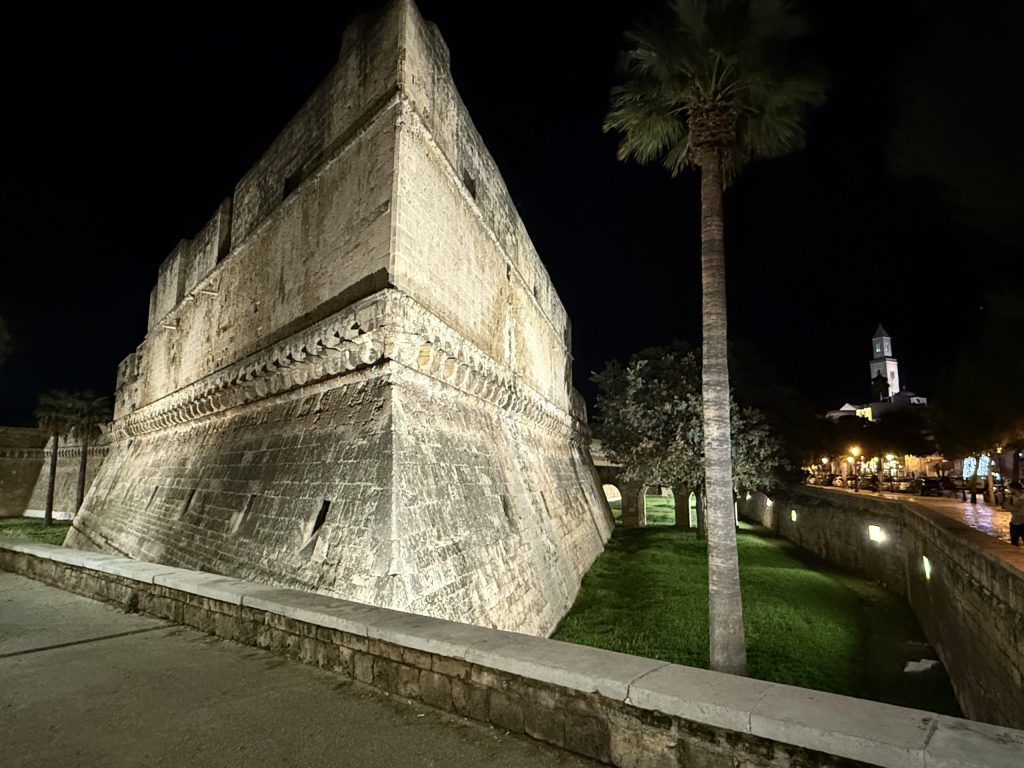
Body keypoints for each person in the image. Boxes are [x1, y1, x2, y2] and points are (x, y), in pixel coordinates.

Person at [1006, 482, 1024, 546]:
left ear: (1015, 489)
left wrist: (1013, 508)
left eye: (1010, 488)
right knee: (1014, 544)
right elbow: (1005, 506)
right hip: (1014, 523)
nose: (1009, 490)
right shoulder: (1010, 497)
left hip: (1023, 522)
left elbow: (1015, 510)